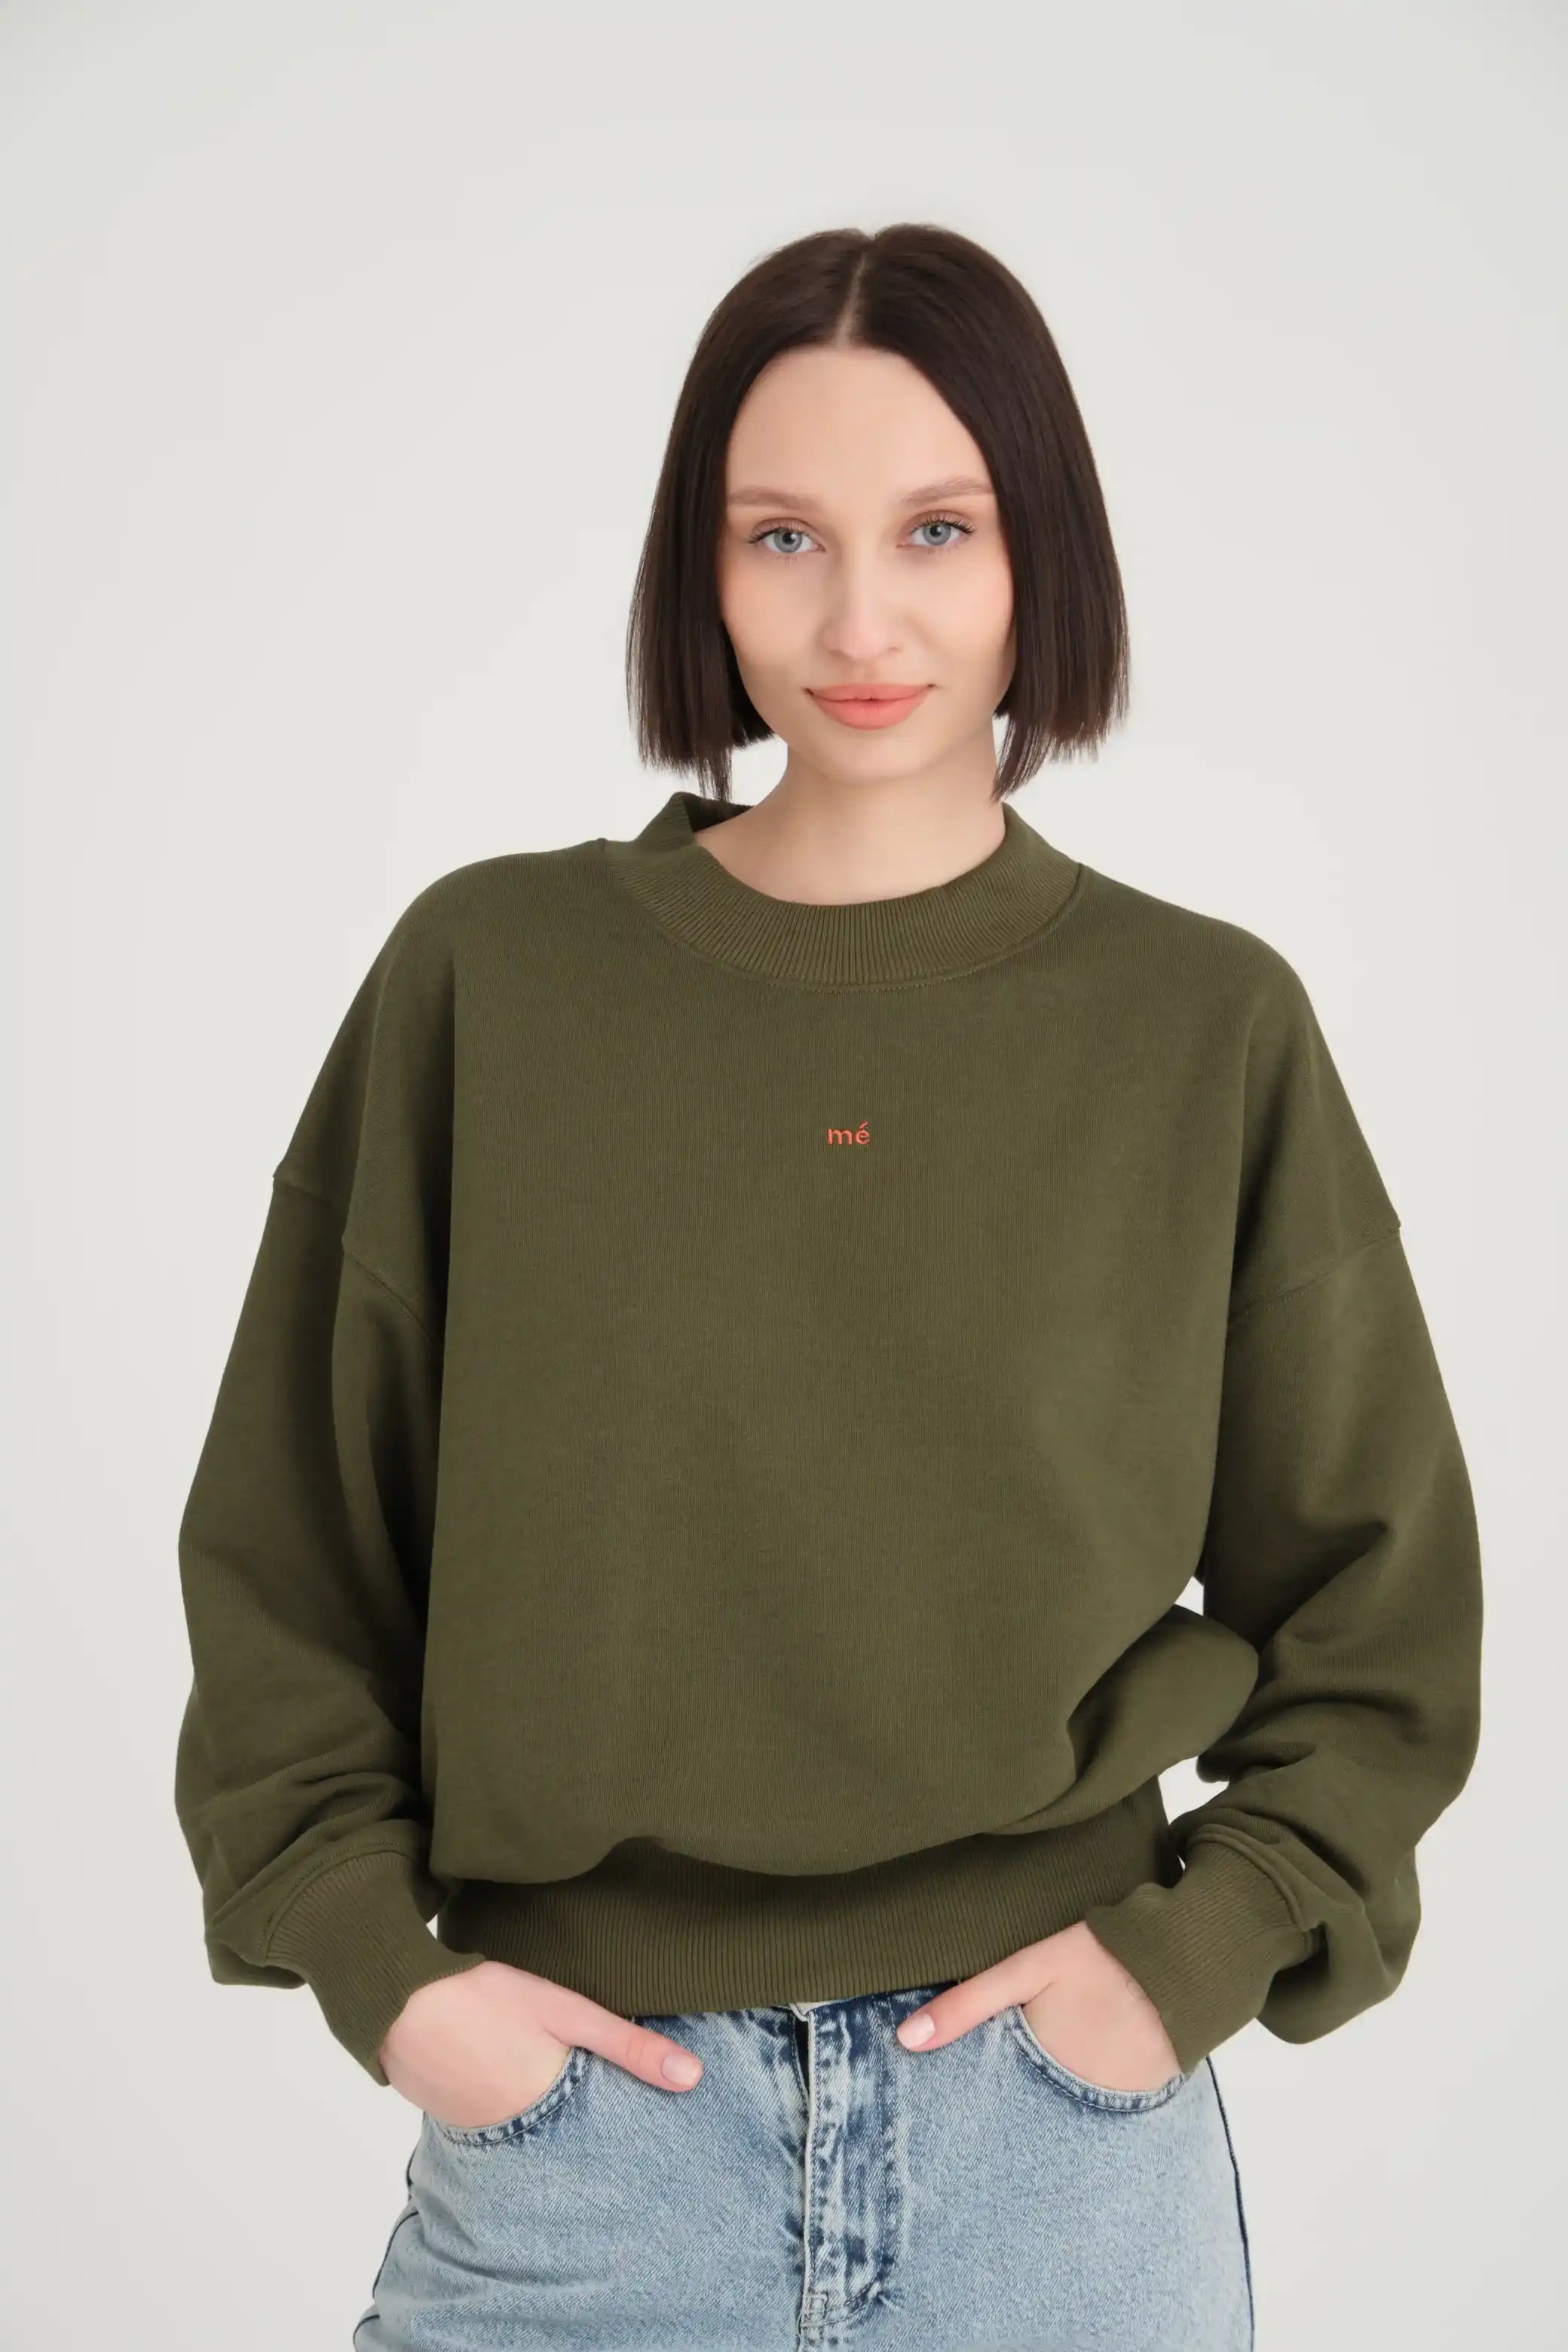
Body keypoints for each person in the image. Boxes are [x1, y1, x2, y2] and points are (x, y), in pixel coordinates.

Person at [173, 222, 1484, 2352]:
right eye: (782, 535)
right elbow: (291, 1554)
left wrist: (1190, 1957)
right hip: (584, 2157)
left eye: (937, 531)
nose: (861, 621)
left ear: (1040, 553)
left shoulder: (1201, 1027)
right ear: (699, 570)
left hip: (1055, 2166)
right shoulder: (492, 982)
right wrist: (386, 1978)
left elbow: (1380, 1612)